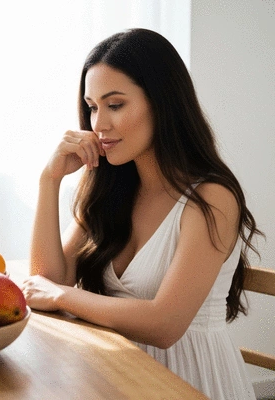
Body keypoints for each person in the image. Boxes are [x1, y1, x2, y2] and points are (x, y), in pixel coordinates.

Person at [21, 28, 263, 399]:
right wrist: (48, 180)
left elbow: (165, 325)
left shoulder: (211, 198)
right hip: (115, 374)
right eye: (92, 106)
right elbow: (47, 280)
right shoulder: (109, 188)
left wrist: (61, 297)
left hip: (188, 381)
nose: (98, 124)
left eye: (115, 105)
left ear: (162, 102)